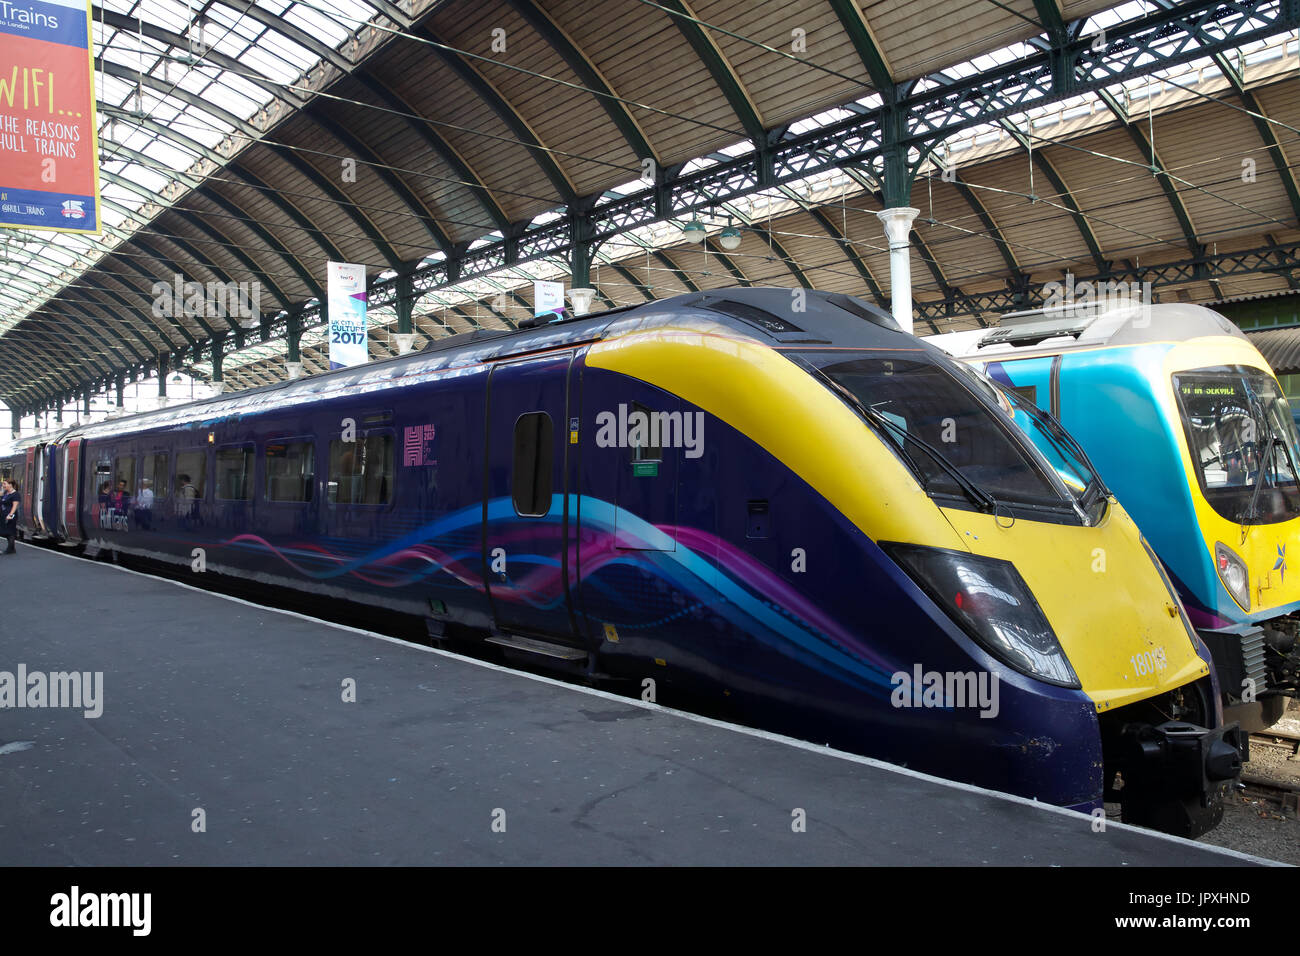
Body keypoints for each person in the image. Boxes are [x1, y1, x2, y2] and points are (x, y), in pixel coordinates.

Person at [1, 478, 18, 555]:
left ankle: (10, 549)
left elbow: (15, 506)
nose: (3, 485)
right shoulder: (5, 493)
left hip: (10, 515)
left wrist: (10, 515)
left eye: (4, 484)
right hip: (3, 515)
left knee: (10, 532)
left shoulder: (15, 494)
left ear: (10, 485)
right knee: (6, 532)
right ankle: (12, 548)